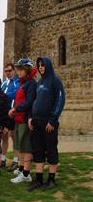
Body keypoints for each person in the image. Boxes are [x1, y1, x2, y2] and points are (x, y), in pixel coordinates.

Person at [28, 57, 65, 191]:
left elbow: (60, 100)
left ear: (47, 65)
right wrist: (30, 117)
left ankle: (51, 179)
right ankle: (38, 179)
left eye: (43, 65)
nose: (41, 67)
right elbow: (34, 102)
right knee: (37, 150)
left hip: (49, 123)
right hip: (36, 122)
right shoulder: (39, 83)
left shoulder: (55, 81)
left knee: (51, 150)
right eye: (39, 65)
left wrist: (53, 120)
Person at [9, 58, 37, 183]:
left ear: (27, 70)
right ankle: (21, 169)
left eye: (21, 70)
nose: (18, 72)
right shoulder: (23, 83)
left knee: (26, 148)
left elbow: (29, 102)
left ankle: (26, 174)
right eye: (18, 70)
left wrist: (15, 109)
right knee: (20, 146)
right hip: (18, 119)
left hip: (25, 119)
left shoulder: (31, 83)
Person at [1, 63, 19, 170]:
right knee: (4, 136)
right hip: (4, 113)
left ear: (14, 71)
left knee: (14, 136)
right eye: (6, 71)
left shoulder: (17, 82)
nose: (7, 73)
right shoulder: (3, 84)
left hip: (13, 112)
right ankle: (3, 159)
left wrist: (2, 96)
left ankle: (15, 161)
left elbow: (15, 94)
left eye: (9, 70)